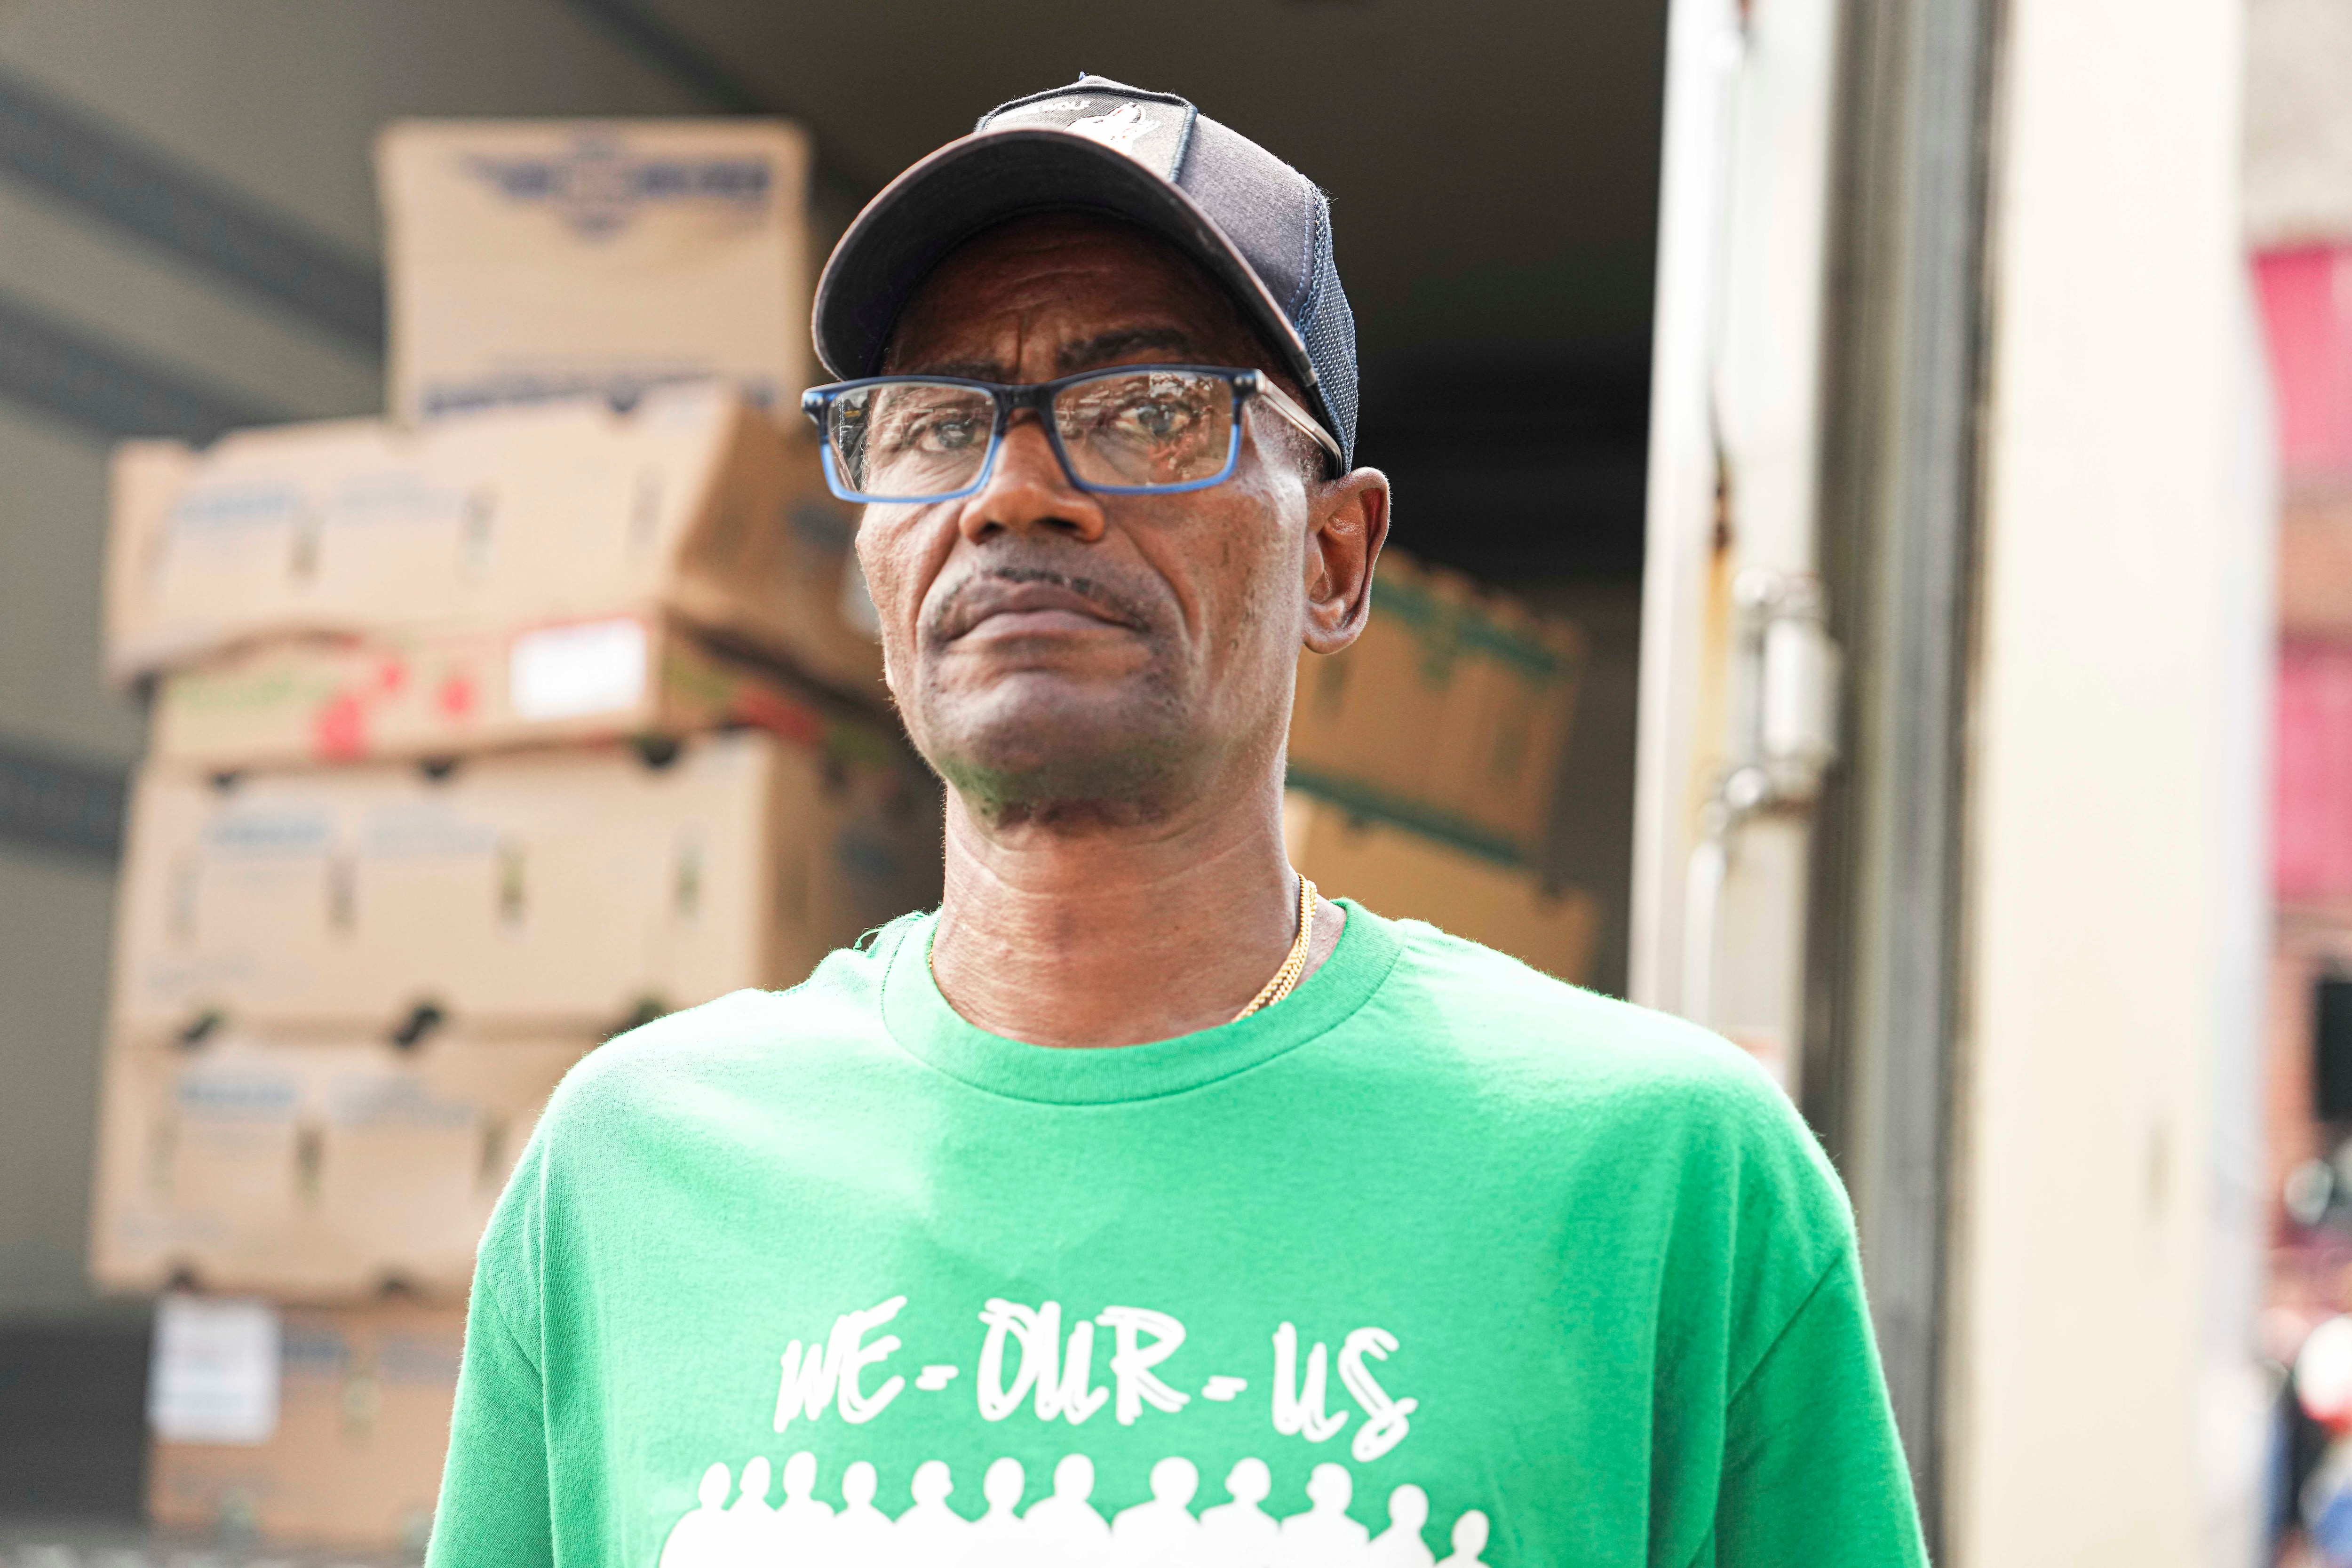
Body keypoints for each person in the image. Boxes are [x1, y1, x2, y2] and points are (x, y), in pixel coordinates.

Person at [426, 75, 1928, 1567]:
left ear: (1337, 559)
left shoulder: (1658, 1177)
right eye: (937, 423)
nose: (1017, 492)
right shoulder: (631, 1173)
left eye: (1148, 411)